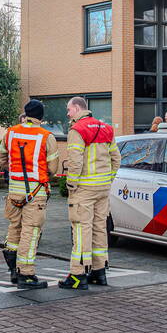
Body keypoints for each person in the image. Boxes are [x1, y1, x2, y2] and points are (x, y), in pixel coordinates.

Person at [0, 99, 60, 289]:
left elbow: (0, 160)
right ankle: (26, 274)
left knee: (15, 227)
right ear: (41, 116)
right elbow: (53, 168)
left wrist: (15, 169)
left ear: (26, 113)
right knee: (30, 233)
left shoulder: (11, 132)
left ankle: (12, 264)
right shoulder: (46, 136)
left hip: (14, 192)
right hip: (35, 192)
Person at [62, 96, 120, 289]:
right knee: (99, 229)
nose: (68, 113)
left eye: (69, 110)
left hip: (84, 189)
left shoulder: (77, 130)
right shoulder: (106, 128)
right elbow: (116, 159)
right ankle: (99, 271)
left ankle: (78, 274)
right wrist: (108, 179)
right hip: (103, 189)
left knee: (81, 229)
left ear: (78, 108)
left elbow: (76, 162)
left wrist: (71, 185)